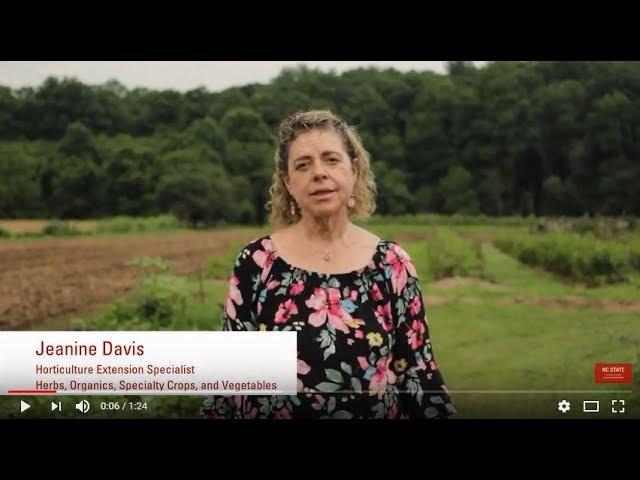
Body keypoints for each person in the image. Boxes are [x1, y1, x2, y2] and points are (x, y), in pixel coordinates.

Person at [202, 110, 456, 419]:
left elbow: (417, 371)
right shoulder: (257, 263)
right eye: (303, 165)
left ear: (354, 169)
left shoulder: (391, 264)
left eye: (331, 159)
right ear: (288, 183)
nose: (319, 173)